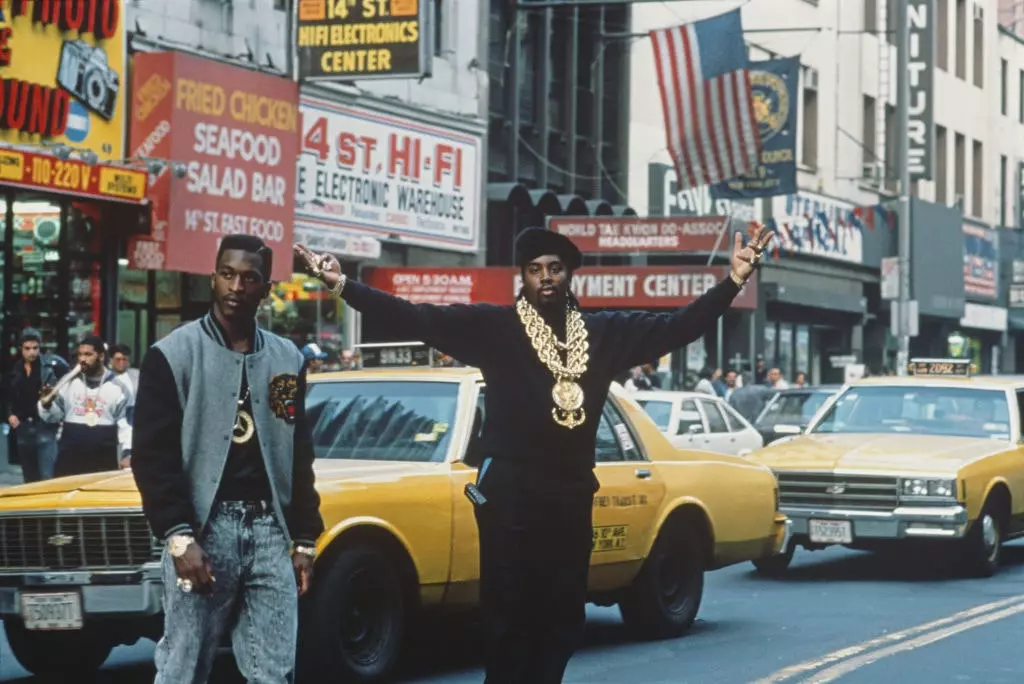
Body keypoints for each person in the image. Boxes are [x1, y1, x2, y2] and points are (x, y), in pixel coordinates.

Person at [295, 223, 774, 684]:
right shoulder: (495, 328)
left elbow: (678, 326)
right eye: (535, 269)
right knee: (509, 621)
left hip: (569, 496)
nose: (545, 277)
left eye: (555, 268)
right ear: (521, 278)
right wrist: (342, 285)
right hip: (510, 496)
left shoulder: (604, 332)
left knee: (563, 619)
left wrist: (733, 280)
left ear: (568, 275)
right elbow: (417, 316)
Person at [131, 235, 324, 684]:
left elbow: (299, 452)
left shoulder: (286, 358)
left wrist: (304, 539)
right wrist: (178, 536)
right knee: (184, 667)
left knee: (275, 671)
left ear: (266, 288)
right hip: (204, 529)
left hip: (269, 530)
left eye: (250, 278)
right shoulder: (173, 354)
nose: (237, 286)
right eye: (228, 274)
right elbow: (151, 456)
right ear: (213, 278)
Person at [39, 335, 133, 477]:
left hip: (102, 460)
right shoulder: (68, 382)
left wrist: (127, 453)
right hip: (69, 458)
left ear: (101, 356)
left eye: (88, 354)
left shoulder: (118, 388)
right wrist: (47, 404)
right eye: (80, 355)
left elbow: (127, 425)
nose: (82, 359)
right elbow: (53, 417)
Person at [6, 329, 65, 482]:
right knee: (29, 479)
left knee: (47, 477)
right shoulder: (14, 368)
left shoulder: (51, 366)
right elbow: (6, 395)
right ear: (21, 348)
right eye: (27, 348)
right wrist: (9, 414)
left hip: (45, 425)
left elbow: (66, 385)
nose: (32, 352)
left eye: (35, 348)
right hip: (23, 428)